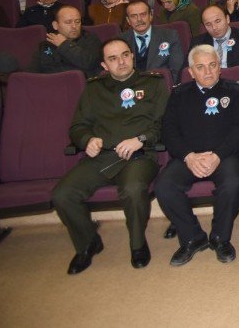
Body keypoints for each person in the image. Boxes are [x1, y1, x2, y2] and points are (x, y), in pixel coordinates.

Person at [51, 38, 168, 274]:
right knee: (62, 194)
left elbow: (163, 123)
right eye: (113, 58)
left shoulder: (154, 83)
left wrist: (140, 139)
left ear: (133, 56)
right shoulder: (94, 88)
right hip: (102, 156)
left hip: (140, 155)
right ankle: (88, 243)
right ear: (104, 65)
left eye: (125, 55)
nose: (121, 61)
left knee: (133, 189)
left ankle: (137, 244)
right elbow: (78, 126)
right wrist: (87, 140)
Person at [157, 45, 239, 267]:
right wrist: (189, 156)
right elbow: (169, 130)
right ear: (190, 71)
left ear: (220, 67)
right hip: (189, 157)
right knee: (164, 186)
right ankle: (192, 237)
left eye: (212, 65)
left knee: (233, 183)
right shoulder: (179, 94)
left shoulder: (235, 91)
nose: (208, 72)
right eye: (200, 67)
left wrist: (217, 155)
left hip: (224, 156)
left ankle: (220, 238)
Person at [29, 5, 102, 77]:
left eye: (77, 22)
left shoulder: (91, 39)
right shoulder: (45, 45)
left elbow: (89, 63)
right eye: (68, 22)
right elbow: (32, 74)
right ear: (55, 25)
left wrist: (64, 44)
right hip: (50, 85)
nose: (74, 26)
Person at [121, 0, 184, 82]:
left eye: (143, 14)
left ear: (150, 16)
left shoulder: (170, 36)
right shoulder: (120, 41)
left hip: (161, 87)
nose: (139, 19)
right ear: (128, 20)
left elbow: (177, 70)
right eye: (133, 16)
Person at [191, 4, 239, 71]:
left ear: (227, 19)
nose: (214, 27)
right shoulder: (197, 43)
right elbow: (185, 73)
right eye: (208, 24)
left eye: (217, 21)